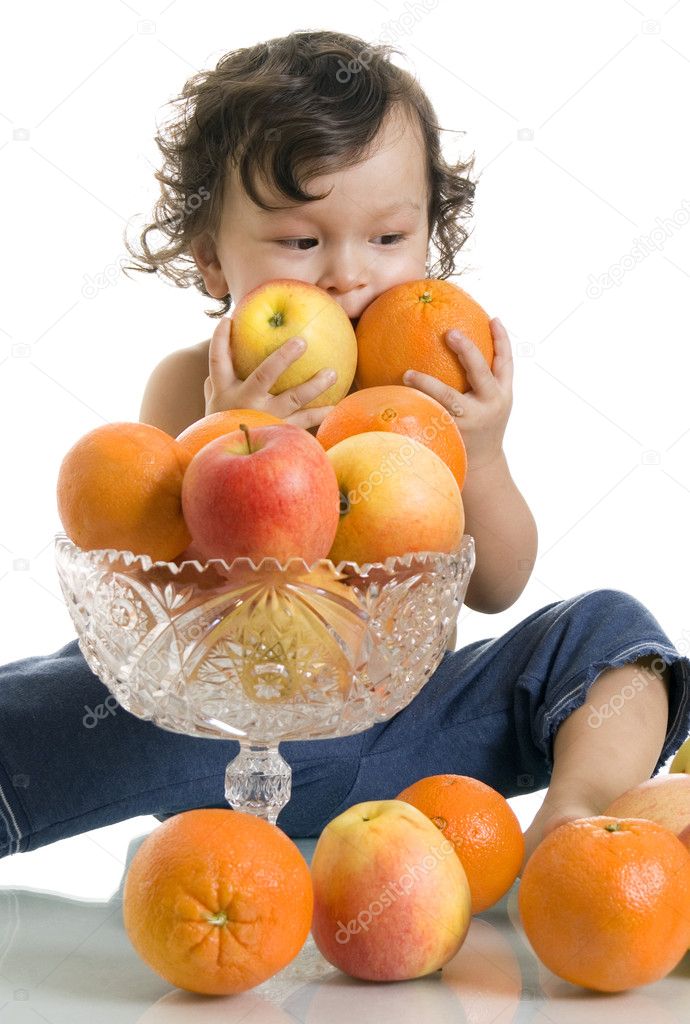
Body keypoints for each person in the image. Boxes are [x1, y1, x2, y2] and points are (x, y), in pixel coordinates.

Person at [0, 30, 687, 869]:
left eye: (388, 238)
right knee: (66, 694)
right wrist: (227, 437)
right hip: (222, 736)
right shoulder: (191, 388)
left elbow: (499, 587)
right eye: (302, 242)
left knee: (612, 631)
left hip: (411, 735)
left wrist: (483, 454)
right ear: (212, 259)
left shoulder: (426, 408)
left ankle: (581, 821)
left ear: (431, 236)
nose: (347, 275)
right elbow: (167, 611)